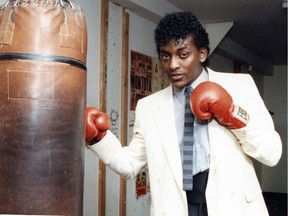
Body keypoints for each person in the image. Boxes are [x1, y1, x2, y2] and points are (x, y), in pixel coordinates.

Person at [85, 11, 282, 216]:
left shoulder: (240, 86)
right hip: (177, 208)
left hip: (232, 207)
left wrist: (233, 115)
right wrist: (99, 138)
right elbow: (130, 165)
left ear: (202, 54)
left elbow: (271, 154)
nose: (173, 65)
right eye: (165, 55)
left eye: (183, 55)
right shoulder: (149, 107)